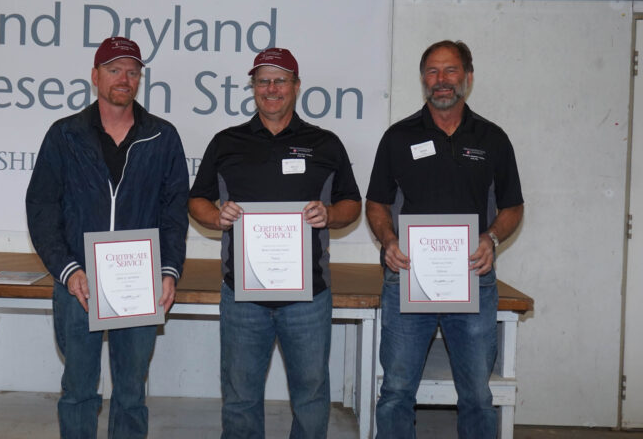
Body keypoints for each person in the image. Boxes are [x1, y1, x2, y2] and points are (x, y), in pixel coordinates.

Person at [188, 48, 362, 438]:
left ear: (296, 87)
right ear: (252, 87)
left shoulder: (325, 143)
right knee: (240, 398)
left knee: (312, 396)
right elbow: (196, 199)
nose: (271, 88)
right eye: (262, 80)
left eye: (280, 80)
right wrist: (215, 217)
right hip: (242, 297)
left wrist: (330, 215)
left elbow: (353, 203)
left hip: (309, 299)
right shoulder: (226, 142)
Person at [26, 37, 189, 439]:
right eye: (115, 70)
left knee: (132, 391)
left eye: (133, 72)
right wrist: (67, 270)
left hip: (139, 282)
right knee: (79, 389)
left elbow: (173, 213)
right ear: (95, 76)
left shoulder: (162, 137)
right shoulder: (64, 136)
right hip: (79, 283)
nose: (124, 79)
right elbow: (42, 208)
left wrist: (168, 271)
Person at [366, 40, 524, 438]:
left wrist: (491, 239)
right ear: (423, 79)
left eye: (450, 70)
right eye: (433, 72)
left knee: (476, 395)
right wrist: (387, 241)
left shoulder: (492, 139)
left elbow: (512, 207)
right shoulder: (398, 138)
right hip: (407, 279)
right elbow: (376, 204)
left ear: (468, 77)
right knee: (396, 391)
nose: (441, 80)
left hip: (472, 277)